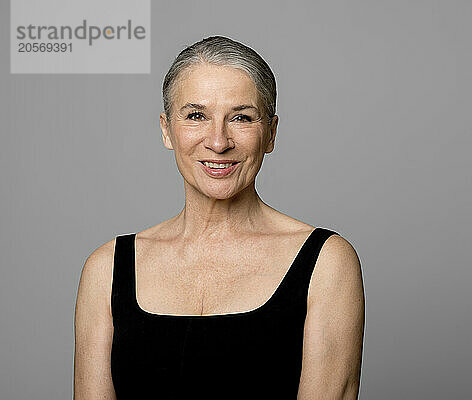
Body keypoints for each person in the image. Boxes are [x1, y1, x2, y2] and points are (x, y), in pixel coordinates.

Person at [73, 35, 365, 399]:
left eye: (241, 117)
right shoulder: (106, 268)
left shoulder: (327, 263)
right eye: (196, 116)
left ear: (270, 133)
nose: (218, 141)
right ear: (167, 129)